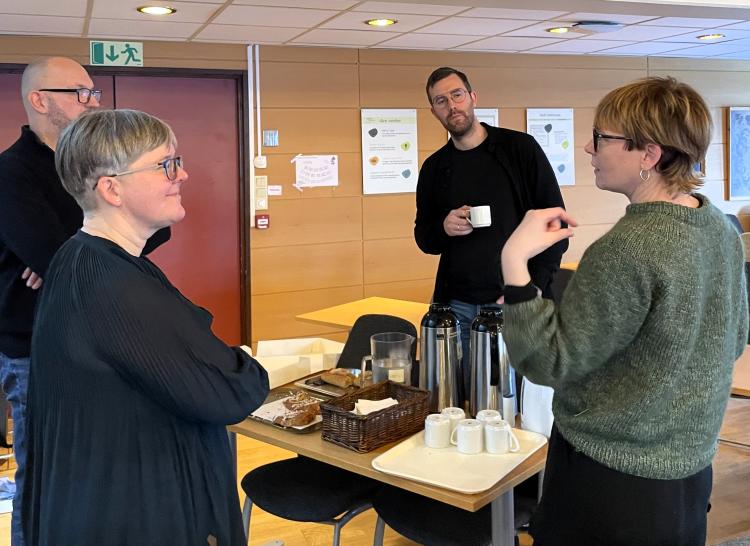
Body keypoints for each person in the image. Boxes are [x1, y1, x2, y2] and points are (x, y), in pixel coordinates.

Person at [500, 77, 748, 545]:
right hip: (688, 478)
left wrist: (515, 263)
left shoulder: (626, 249)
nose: (588, 148)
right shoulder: (719, 227)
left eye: (601, 137)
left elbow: (546, 362)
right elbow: (731, 338)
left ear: (648, 156)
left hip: (608, 484)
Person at [22, 109, 269, 545]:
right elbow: (229, 392)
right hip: (134, 513)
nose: (183, 174)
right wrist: (243, 363)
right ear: (112, 188)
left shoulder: (82, 258)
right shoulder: (111, 285)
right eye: (166, 165)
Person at [0, 57, 168, 546]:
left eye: (94, 91)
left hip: (98, 337)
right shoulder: (10, 174)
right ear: (40, 100)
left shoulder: (91, 164)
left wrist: (69, 249)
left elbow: (155, 225)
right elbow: (56, 255)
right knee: (43, 470)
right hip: (33, 344)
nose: (94, 101)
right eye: (81, 92)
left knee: (97, 467)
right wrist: (79, 245)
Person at [414, 66, 567, 399]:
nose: (451, 106)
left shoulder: (519, 149)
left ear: (472, 97)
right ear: (433, 111)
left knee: (519, 397)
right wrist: (443, 227)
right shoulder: (434, 168)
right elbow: (424, 238)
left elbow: (556, 223)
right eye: (441, 101)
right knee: (465, 397)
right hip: (457, 305)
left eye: (457, 95)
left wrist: (536, 286)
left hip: (514, 299)